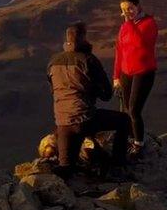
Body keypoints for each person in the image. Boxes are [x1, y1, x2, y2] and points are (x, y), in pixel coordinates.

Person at [47, 21, 131, 178]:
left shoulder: (53, 61)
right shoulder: (88, 60)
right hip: (85, 119)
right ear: (83, 38)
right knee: (124, 120)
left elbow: (53, 89)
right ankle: (118, 163)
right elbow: (106, 95)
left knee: (66, 167)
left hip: (63, 123)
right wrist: (93, 90)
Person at [113, 0, 158, 156]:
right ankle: (131, 138)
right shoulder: (124, 27)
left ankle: (139, 143)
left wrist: (129, 23)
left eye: (130, 8)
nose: (127, 12)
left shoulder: (149, 23)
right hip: (126, 72)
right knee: (126, 109)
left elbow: (140, 44)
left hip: (144, 72)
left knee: (133, 110)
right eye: (124, 10)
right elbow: (120, 52)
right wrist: (116, 76)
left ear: (138, 6)